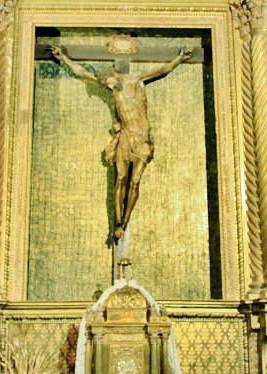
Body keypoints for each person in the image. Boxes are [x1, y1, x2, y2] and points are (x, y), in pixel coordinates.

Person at [49, 45, 195, 242]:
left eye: (109, 83)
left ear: (114, 76)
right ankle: (118, 223)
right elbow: (82, 72)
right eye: (106, 85)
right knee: (120, 178)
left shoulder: (135, 80)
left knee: (135, 181)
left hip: (141, 139)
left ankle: (125, 221)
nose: (109, 88)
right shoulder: (111, 85)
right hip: (125, 137)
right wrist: (64, 58)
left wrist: (179, 59)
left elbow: (162, 70)